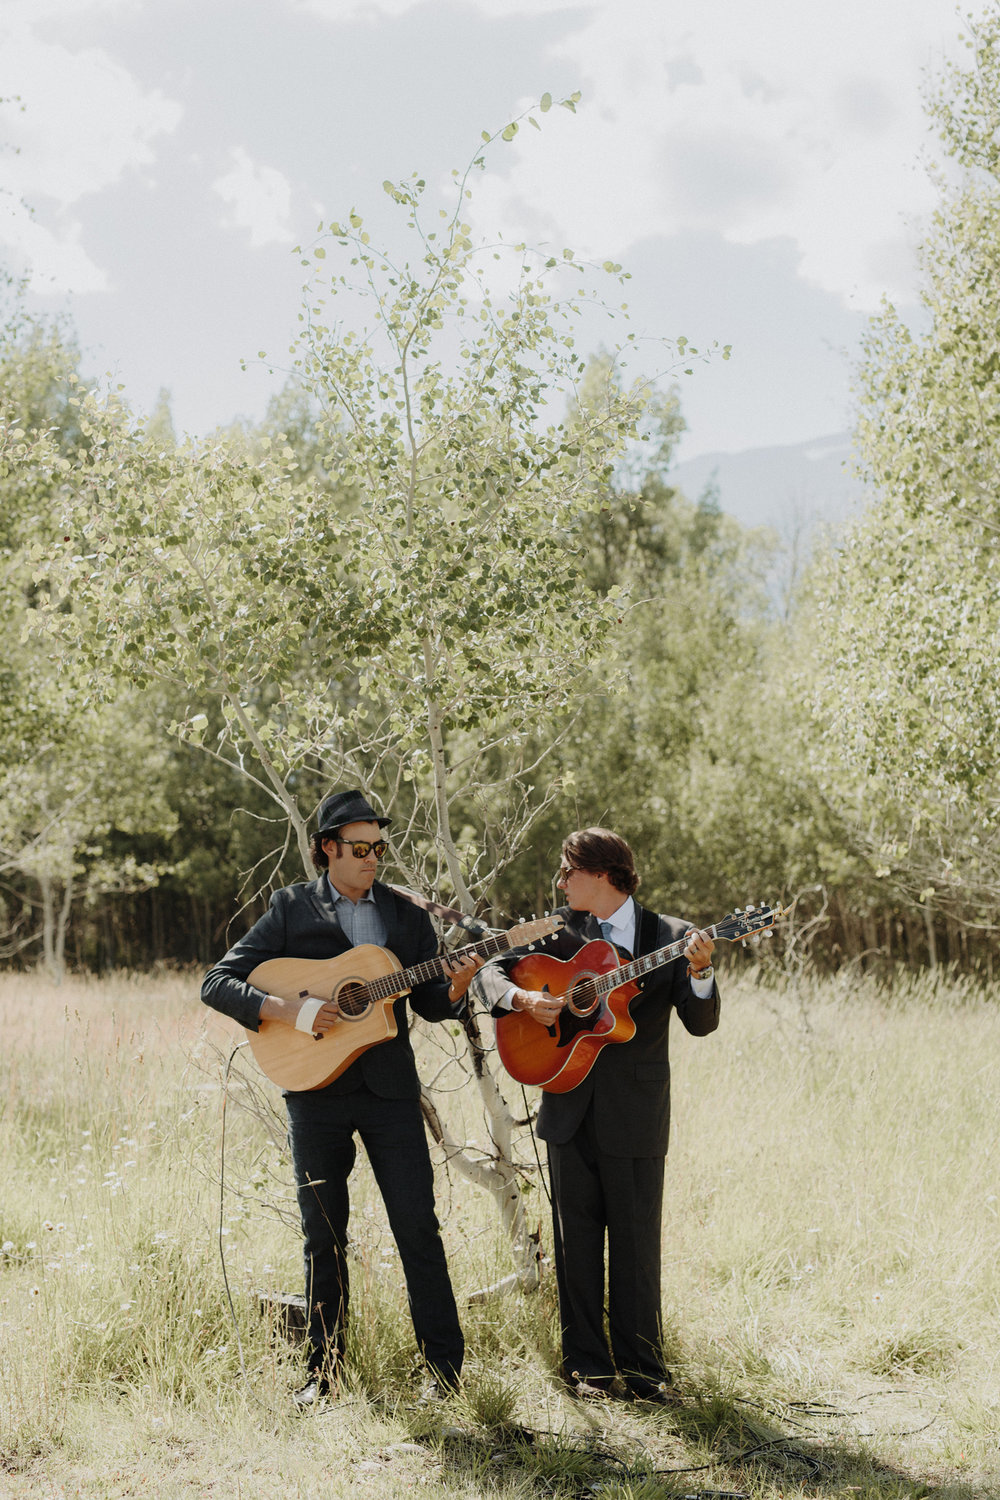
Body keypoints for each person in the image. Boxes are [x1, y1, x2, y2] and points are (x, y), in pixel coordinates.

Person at [201, 789, 482, 1407]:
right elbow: (216, 981)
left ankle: (446, 1375)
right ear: (327, 849)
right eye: (359, 848)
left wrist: (457, 981)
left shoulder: (406, 917)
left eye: (380, 848)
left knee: (418, 1228)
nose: (373, 859)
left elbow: (433, 1005)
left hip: (389, 1095)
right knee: (322, 1236)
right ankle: (323, 1376)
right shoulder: (290, 908)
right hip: (315, 1094)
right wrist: (290, 1010)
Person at [476, 826, 719, 1403]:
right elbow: (491, 971)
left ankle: (643, 1372)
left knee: (636, 1245)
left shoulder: (673, 937)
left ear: (603, 873)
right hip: (565, 1103)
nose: (560, 882)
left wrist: (702, 973)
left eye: (567, 871)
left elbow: (701, 1022)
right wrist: (526, 1000)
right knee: (575, 1245)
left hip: (635, 1111)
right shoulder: (563, 930)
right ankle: (587, 1369)